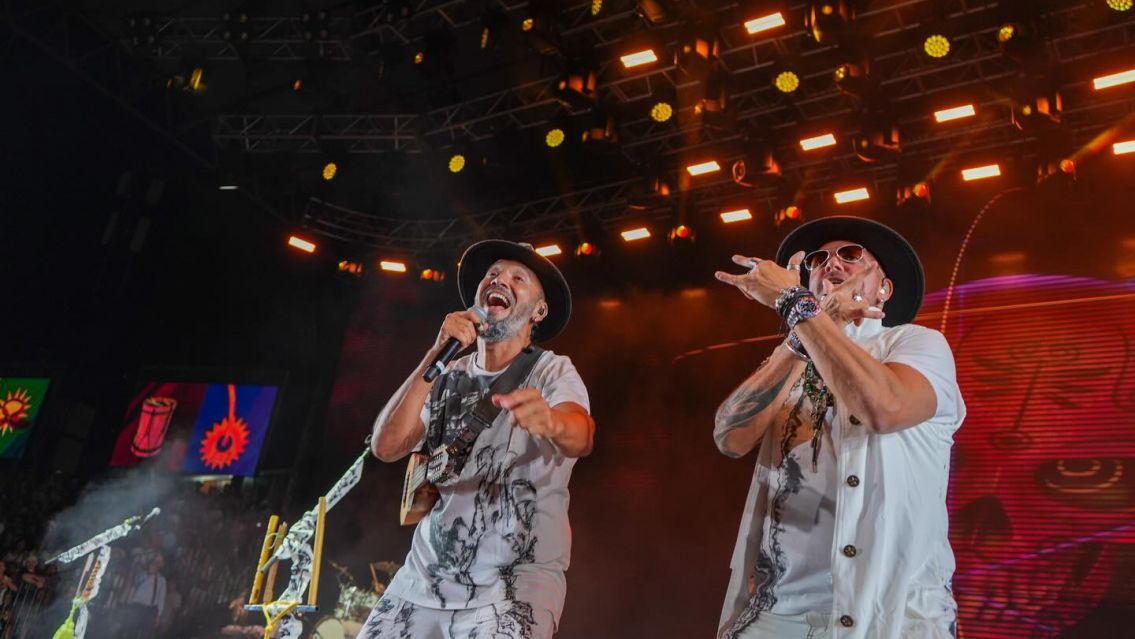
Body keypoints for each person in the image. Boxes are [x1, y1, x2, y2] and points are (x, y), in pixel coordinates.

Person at [712, 216, 966, 639]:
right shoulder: (792, 358)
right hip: (780, 613)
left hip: (891, 613)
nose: (830, 263)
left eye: (850, 255)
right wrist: (797, 336)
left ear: (884, 289)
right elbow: (730, 437)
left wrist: (797, 305)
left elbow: (884, 407)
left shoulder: (914, 344)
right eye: (817, 259)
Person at [363, 240, 595, 639]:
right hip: (421, 582)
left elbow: (581, 435)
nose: (500, 279)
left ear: (538, 311)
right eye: (493, 274)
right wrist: (436, 351)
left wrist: (552, 422)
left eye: (517, 278)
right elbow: (386, 446)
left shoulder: (552, 372)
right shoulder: (446, 372)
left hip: (512, 588)